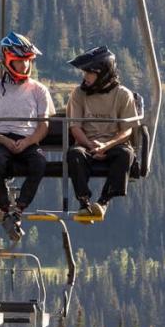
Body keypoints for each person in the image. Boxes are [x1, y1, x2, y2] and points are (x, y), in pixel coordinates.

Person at [0, 32, 54, 242]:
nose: (25, 67)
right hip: (1, 139)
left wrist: (28, 141)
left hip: (28, 140)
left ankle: (19, 209)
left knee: (39, 162)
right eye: (20, 62)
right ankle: (6, 208)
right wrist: (5, 141)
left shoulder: (39, 90)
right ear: (9, 61)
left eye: (28, 62)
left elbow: (43, 126)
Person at [64, 46, 137, 218]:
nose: (85, 77)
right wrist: (90, 145)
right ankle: (84, 202)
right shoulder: (79, 93)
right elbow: (75, 127)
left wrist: (105, 146)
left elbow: (126, 131)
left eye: (90, 72)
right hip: (86, 144)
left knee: (125, 154)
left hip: (113, 145)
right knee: (74, 154)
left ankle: (103, 201)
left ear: (103, 73)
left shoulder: (123, 95)